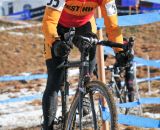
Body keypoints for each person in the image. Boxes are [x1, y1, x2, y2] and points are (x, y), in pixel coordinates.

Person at [41, 0, 134, 129]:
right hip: (57, 27)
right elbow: (49, 21)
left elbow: (112, 26)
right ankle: (48, 126)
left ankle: (83, 89)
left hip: (84, 25)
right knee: (55, 81)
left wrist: (119, 51)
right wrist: (55, 42)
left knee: (91, 47)